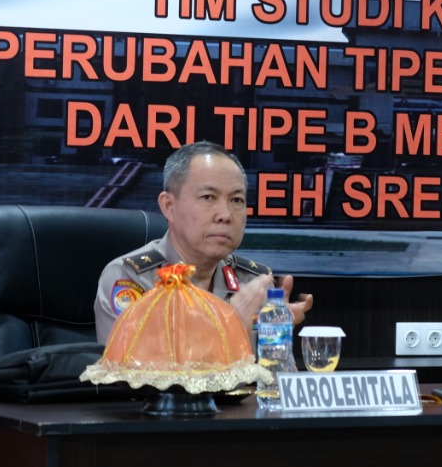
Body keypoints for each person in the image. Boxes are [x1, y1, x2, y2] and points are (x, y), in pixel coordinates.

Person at [94, 141, 313, 343]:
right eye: (208, 197)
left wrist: (278, 343)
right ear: (169, 206)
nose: (225, 215)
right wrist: (231, 323)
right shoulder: (131, 279)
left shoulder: (252, 283)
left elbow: (273, 371)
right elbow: (131, 367)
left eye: (237, 200)